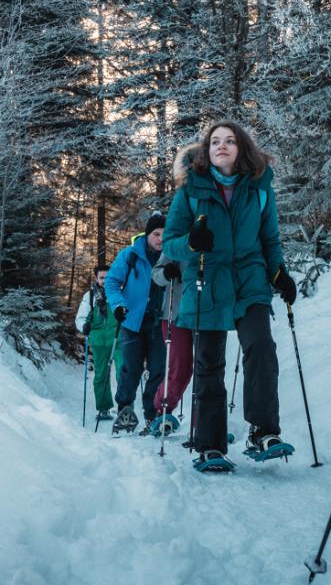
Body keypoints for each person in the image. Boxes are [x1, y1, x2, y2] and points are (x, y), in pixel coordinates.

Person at [162, 120, 297, 472]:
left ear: (241, 148)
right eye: (215, 142)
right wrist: (191, 243)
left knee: (262, 346)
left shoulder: (259, 189)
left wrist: (278, 272)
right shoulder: (190, 192)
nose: (221, 146)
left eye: (230, 141)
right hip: (207, 279)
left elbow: (270, 239)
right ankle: (210, 446)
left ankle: (264, 431)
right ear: (207, 151)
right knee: (209, 363)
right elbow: (172, 241)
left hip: (250, 279)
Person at [104, 213, 167, 435]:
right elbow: (111, 282)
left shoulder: (171, 257)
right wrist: (118, 305)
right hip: (132, 320)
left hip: (161, 322)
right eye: (156, 234)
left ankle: (153, 414)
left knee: (158, 369)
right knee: (131, 369)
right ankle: (125, 409)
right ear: (147, 234)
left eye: (164, 234)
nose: (160, 238)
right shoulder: (130, 255)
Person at [147, 254, 192, 436]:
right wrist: (166, 273)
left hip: (207, 312)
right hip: (175, 313)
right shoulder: (177, 238)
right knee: (180, 367)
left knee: (209, 369)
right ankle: (162, 410)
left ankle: (206, 423)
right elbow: (156, 274)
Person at [75, 265, 122, 420]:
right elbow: (80, 319)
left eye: (108, 277)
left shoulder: (118, 293)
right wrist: (85, 327)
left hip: (119, 338)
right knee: (101, 374)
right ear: (96, 278)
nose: (105, 281)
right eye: (102, 277)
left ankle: (125, 407)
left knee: (124, 372)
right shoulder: (90, 296)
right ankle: (103, 408)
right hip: (99, 341)